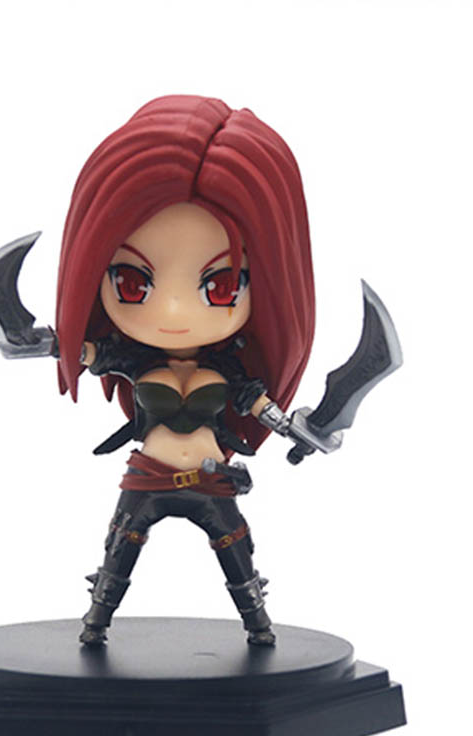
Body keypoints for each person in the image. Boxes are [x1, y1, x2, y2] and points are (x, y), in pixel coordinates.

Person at [51, 95, 316, 645]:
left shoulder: (229, 369)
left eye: (219, 286)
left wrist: (297, 429)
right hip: (147, 477)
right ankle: (95, 625)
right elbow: (90, 354)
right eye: (133, 282)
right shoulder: (134, 359)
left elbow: (258, 403)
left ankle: (259, 629)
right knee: (116, 559)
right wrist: (45, 342)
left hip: (212, 481)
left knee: (240, 565)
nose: (172, 312)